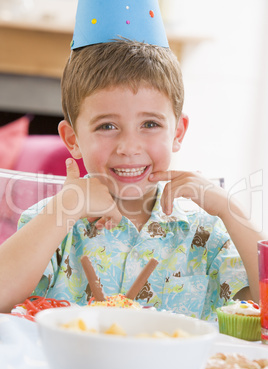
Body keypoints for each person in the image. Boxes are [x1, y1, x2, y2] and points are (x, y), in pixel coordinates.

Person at [0, 3, 262, 320]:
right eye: (107, 126)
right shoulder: (56, 224)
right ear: (72, 139)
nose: (129, 147)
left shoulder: (204, 235)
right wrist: (64, 208)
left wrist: (229, 209)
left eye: (150, 124)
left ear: (178, 132)